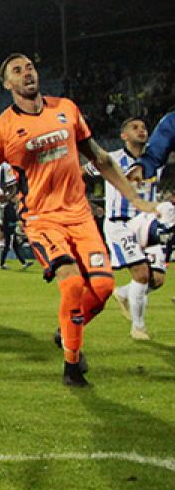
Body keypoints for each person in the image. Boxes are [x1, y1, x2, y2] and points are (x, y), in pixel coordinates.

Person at [0, 55, 151, 387]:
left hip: (80, 217)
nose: (26, 73)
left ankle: (67, 330)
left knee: (103, 288)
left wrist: (135, 198)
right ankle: (72, 366)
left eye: (29, 67)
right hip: (42, 219)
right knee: (71, 283)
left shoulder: (66, 108)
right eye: (17, 71)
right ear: (7, 84)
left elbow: (100, 158)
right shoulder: (1, 128)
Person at [101, 117, 164, 340]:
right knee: (141, 274)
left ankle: (124, 292)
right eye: (135, 128)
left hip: (146, 224)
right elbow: (81, 172)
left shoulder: (155, 162)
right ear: (124, 136)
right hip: (121, 223)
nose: (141, 130)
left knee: (157, 279)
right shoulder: (111, 159)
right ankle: (138, 327)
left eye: (144, 127)